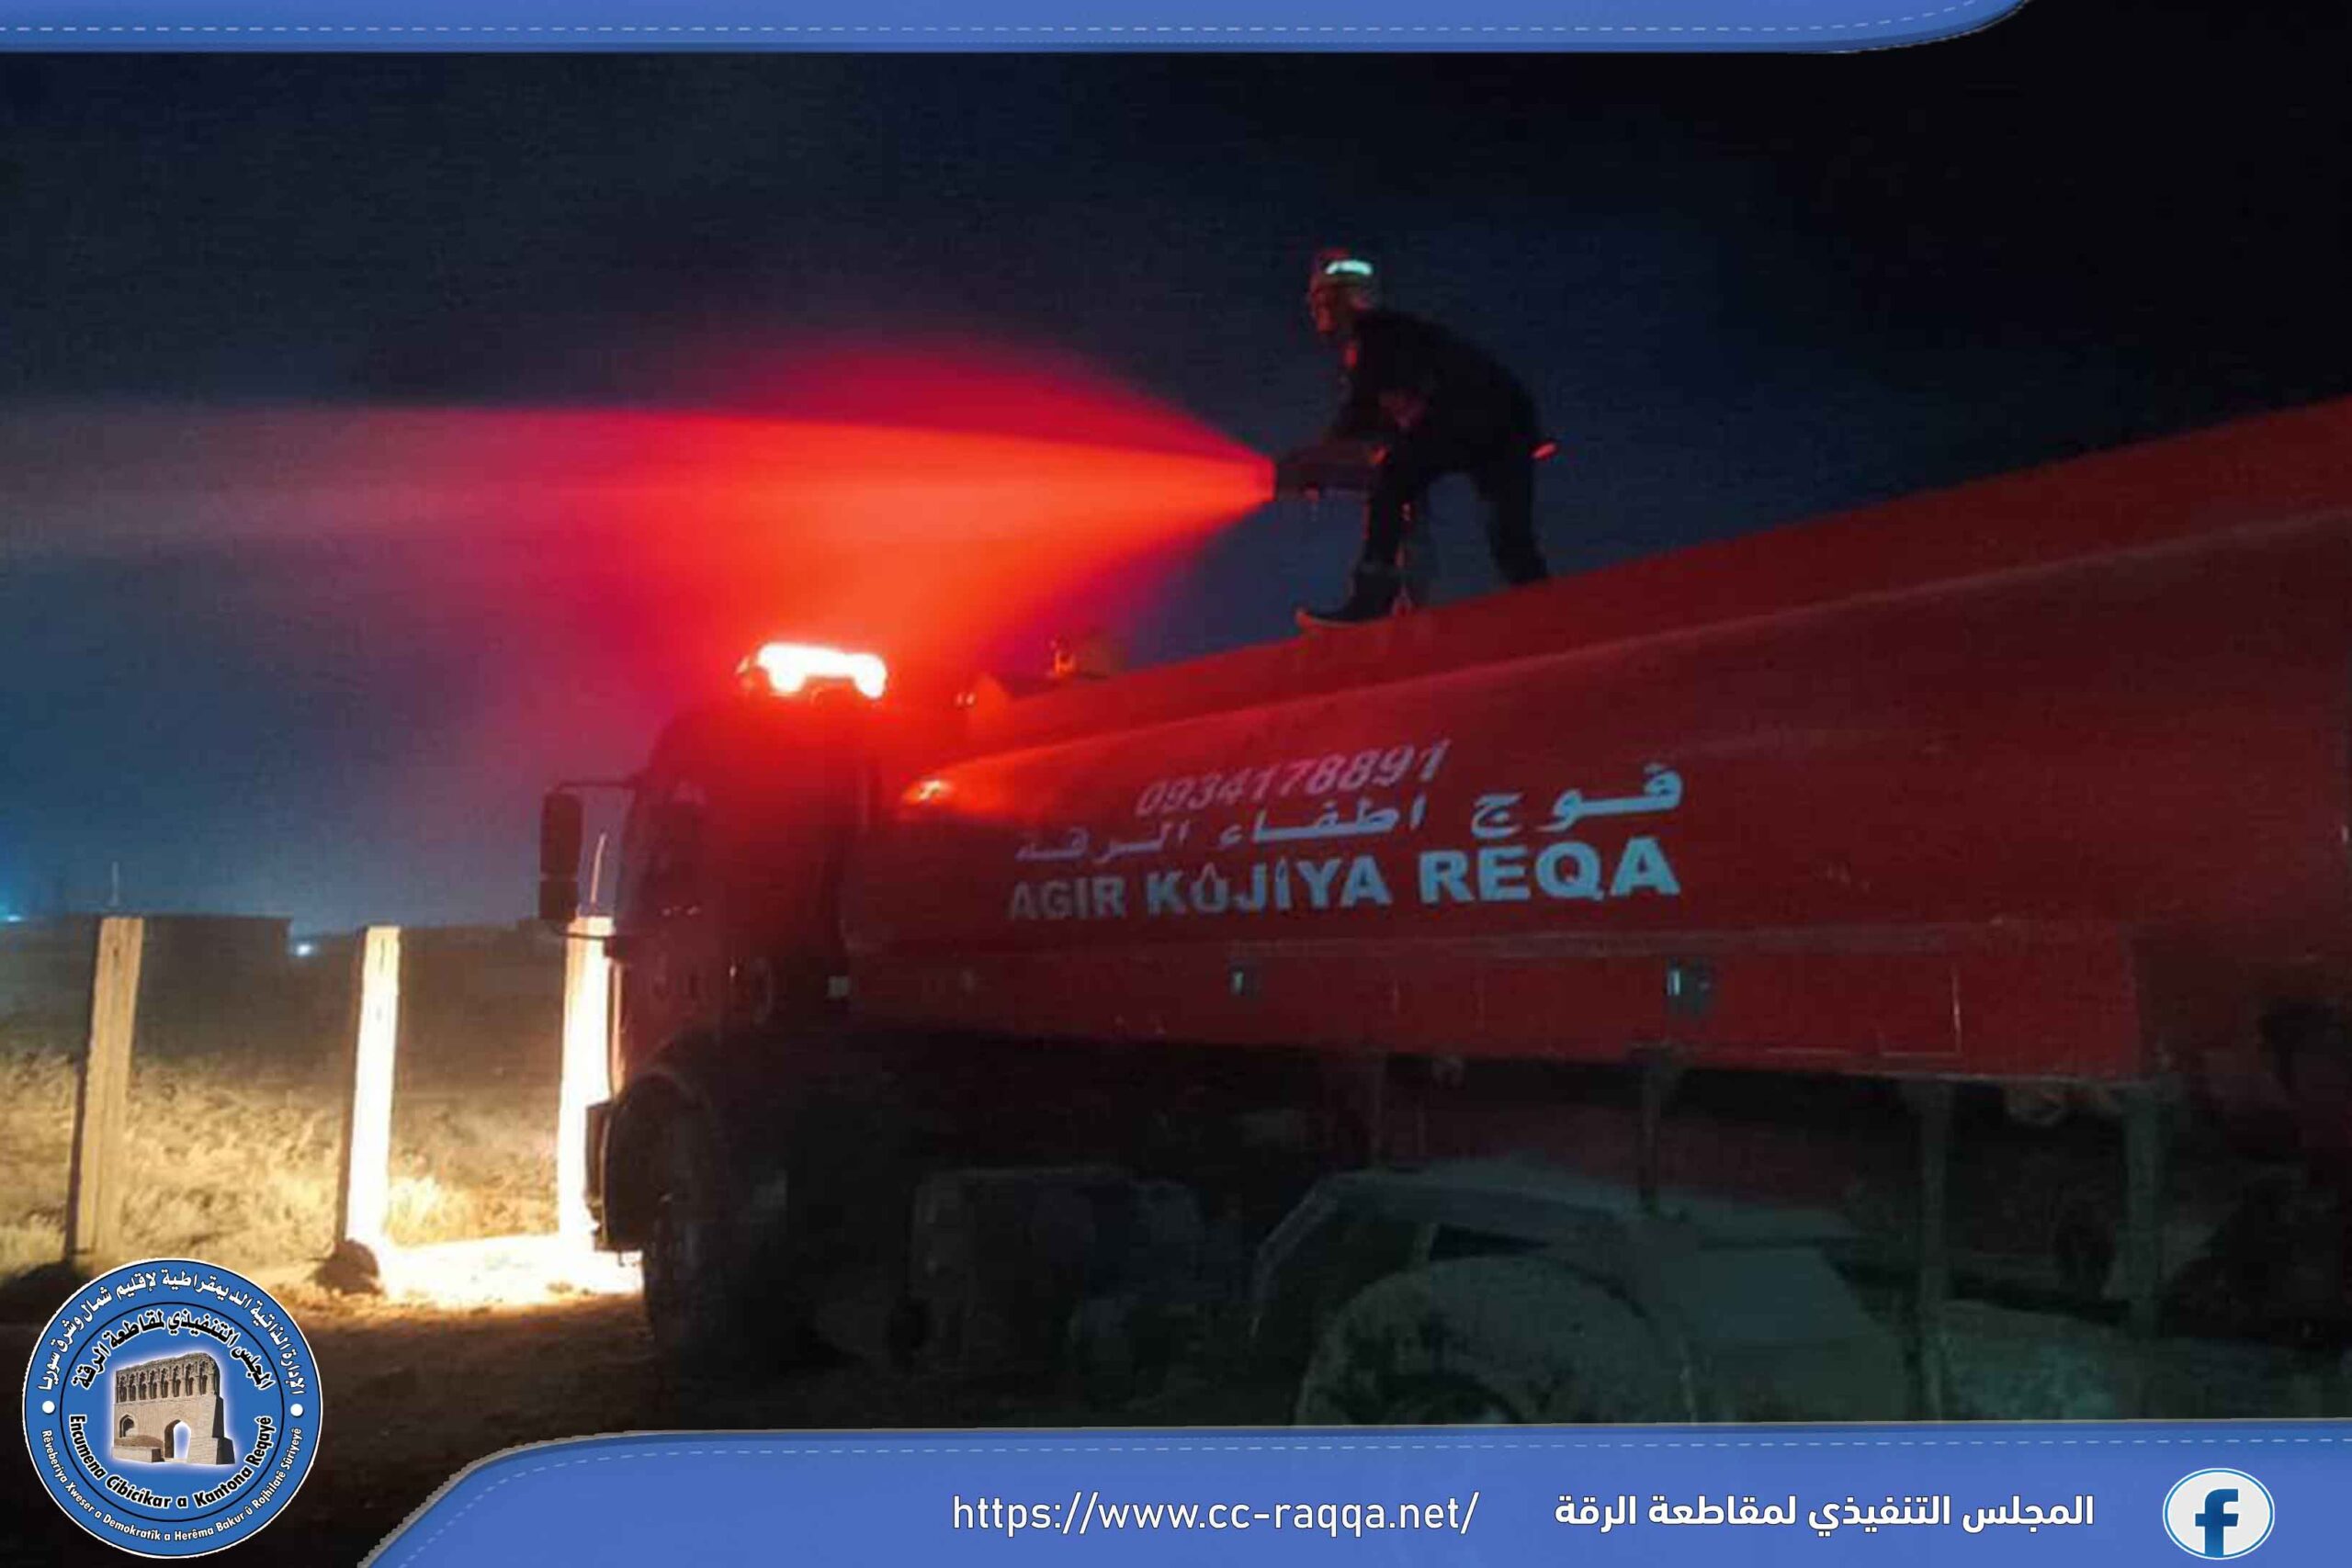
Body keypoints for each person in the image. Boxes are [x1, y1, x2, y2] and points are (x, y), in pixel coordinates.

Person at [1279, 249, 1550, 626]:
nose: (1317, 312)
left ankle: (1371, 602)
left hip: (1472, 419)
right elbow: (1383, 417)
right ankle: (1549, 612)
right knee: (1510, 539)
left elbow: (1359, 417)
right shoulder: (1395, 335)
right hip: (1509, 425)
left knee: (1392, 482)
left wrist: (1308, 465)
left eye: (1324, 301)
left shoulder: (1373, 336)